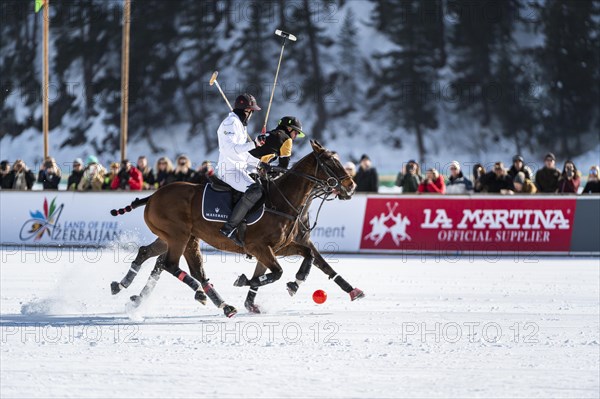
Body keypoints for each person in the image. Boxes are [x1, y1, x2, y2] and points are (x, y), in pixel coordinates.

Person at [217, 93, 266, 245]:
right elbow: (230, 150)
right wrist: (254, 144)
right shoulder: (230, 123)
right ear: (246, 111)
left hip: (239, 169)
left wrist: (260, 164)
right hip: (229, 171)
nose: (252, 114)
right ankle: (229, 228)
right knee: (255, 190)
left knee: (263, 185)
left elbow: (242, 154)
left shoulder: (239, 125)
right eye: (251, 110)